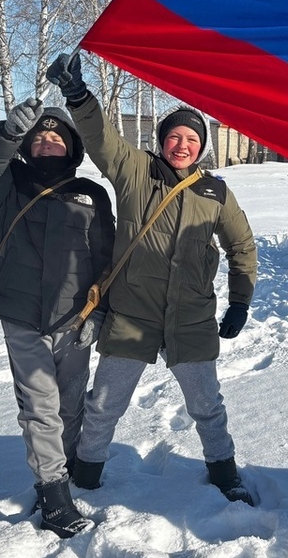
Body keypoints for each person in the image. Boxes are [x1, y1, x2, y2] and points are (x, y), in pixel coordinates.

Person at [45, 51, 260, 505]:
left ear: (202, 147)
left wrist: (240, 300)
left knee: (207, 406)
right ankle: (86, 476)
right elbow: (102, 139)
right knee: (104, 405)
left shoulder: (215, 191)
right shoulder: (136, 171)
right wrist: (78, 96)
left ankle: (225, 473)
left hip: (191, 318)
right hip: (132, 314)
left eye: (192, 139)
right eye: (174, 136)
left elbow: (242, 245)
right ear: (161, 141)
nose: (182, 145)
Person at [0, 98, 115, 538]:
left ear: (71, 147)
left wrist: (99, 312)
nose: (47, 142)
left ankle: (64, 467)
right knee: (40, 406)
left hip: (75, 317)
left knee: (70, 403)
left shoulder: (91, 193)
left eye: (56, 137)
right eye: (39, 138)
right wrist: (8, 133)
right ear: (27, 146)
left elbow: (106, 259)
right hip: (22, 314)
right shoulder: (10, 183)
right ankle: (53, 496)